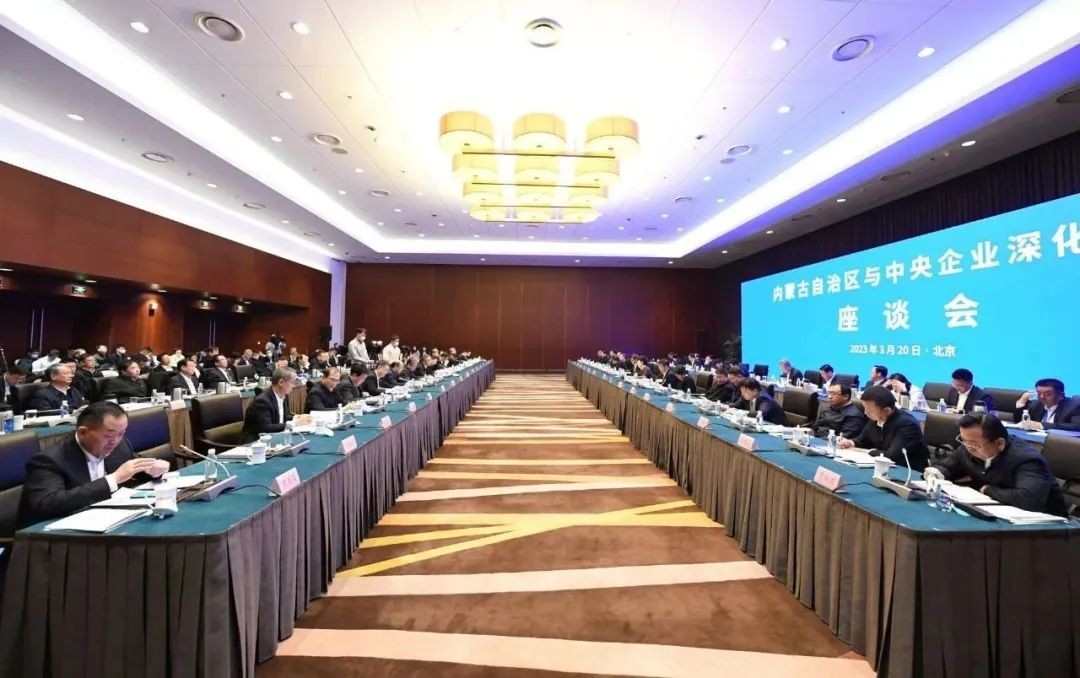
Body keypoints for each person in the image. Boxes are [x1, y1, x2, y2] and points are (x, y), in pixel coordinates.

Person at [17, 402, 166, 527]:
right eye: (109, 435)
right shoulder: (49, 460)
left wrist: (153, 470)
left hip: (107, 522)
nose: (115, 441)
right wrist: (113, 479)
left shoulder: (120, 446)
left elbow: (135, 470)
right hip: (55, 537)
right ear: (83, 432)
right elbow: (48, 504)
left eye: (121, 433)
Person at [924, 413, 1066, 515]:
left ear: (999, 443)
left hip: (1046, 527)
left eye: (974, 444)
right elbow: (947, 467)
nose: (968, 447)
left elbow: (1029, 499)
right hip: (994, 512)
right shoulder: (968, 447)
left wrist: (987, 490)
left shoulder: (1026, 459)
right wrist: (936, 473)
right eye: (964, 440)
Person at [838, 386, 929, 471]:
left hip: (907, 470)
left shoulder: (907, 424)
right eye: (865, 408)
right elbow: (863, 439)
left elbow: (892, 456)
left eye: (869, 410)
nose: (865, 412)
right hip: (882, 467)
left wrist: (870, 451)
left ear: (887, 410)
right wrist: (851, 443)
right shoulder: (876, 418)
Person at [241, 367, 311, 443]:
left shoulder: (282, 395)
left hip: (275, 438)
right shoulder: (262, 401)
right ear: (281, 382)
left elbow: (284, 416)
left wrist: (299, 417)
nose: (294, 386)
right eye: (292, 382)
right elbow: (265, 427)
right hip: (255, 443)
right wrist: (294, 423)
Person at [1014, 378, 1080, 431]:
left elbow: (1077, 426)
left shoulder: (1073, 406)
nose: (1042, 397)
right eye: (1039, 393)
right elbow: (1019, 421)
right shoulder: (1036, 404)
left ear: (1061, 395)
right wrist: (1022, 401)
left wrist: (1041, 425)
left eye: (1047, 394)